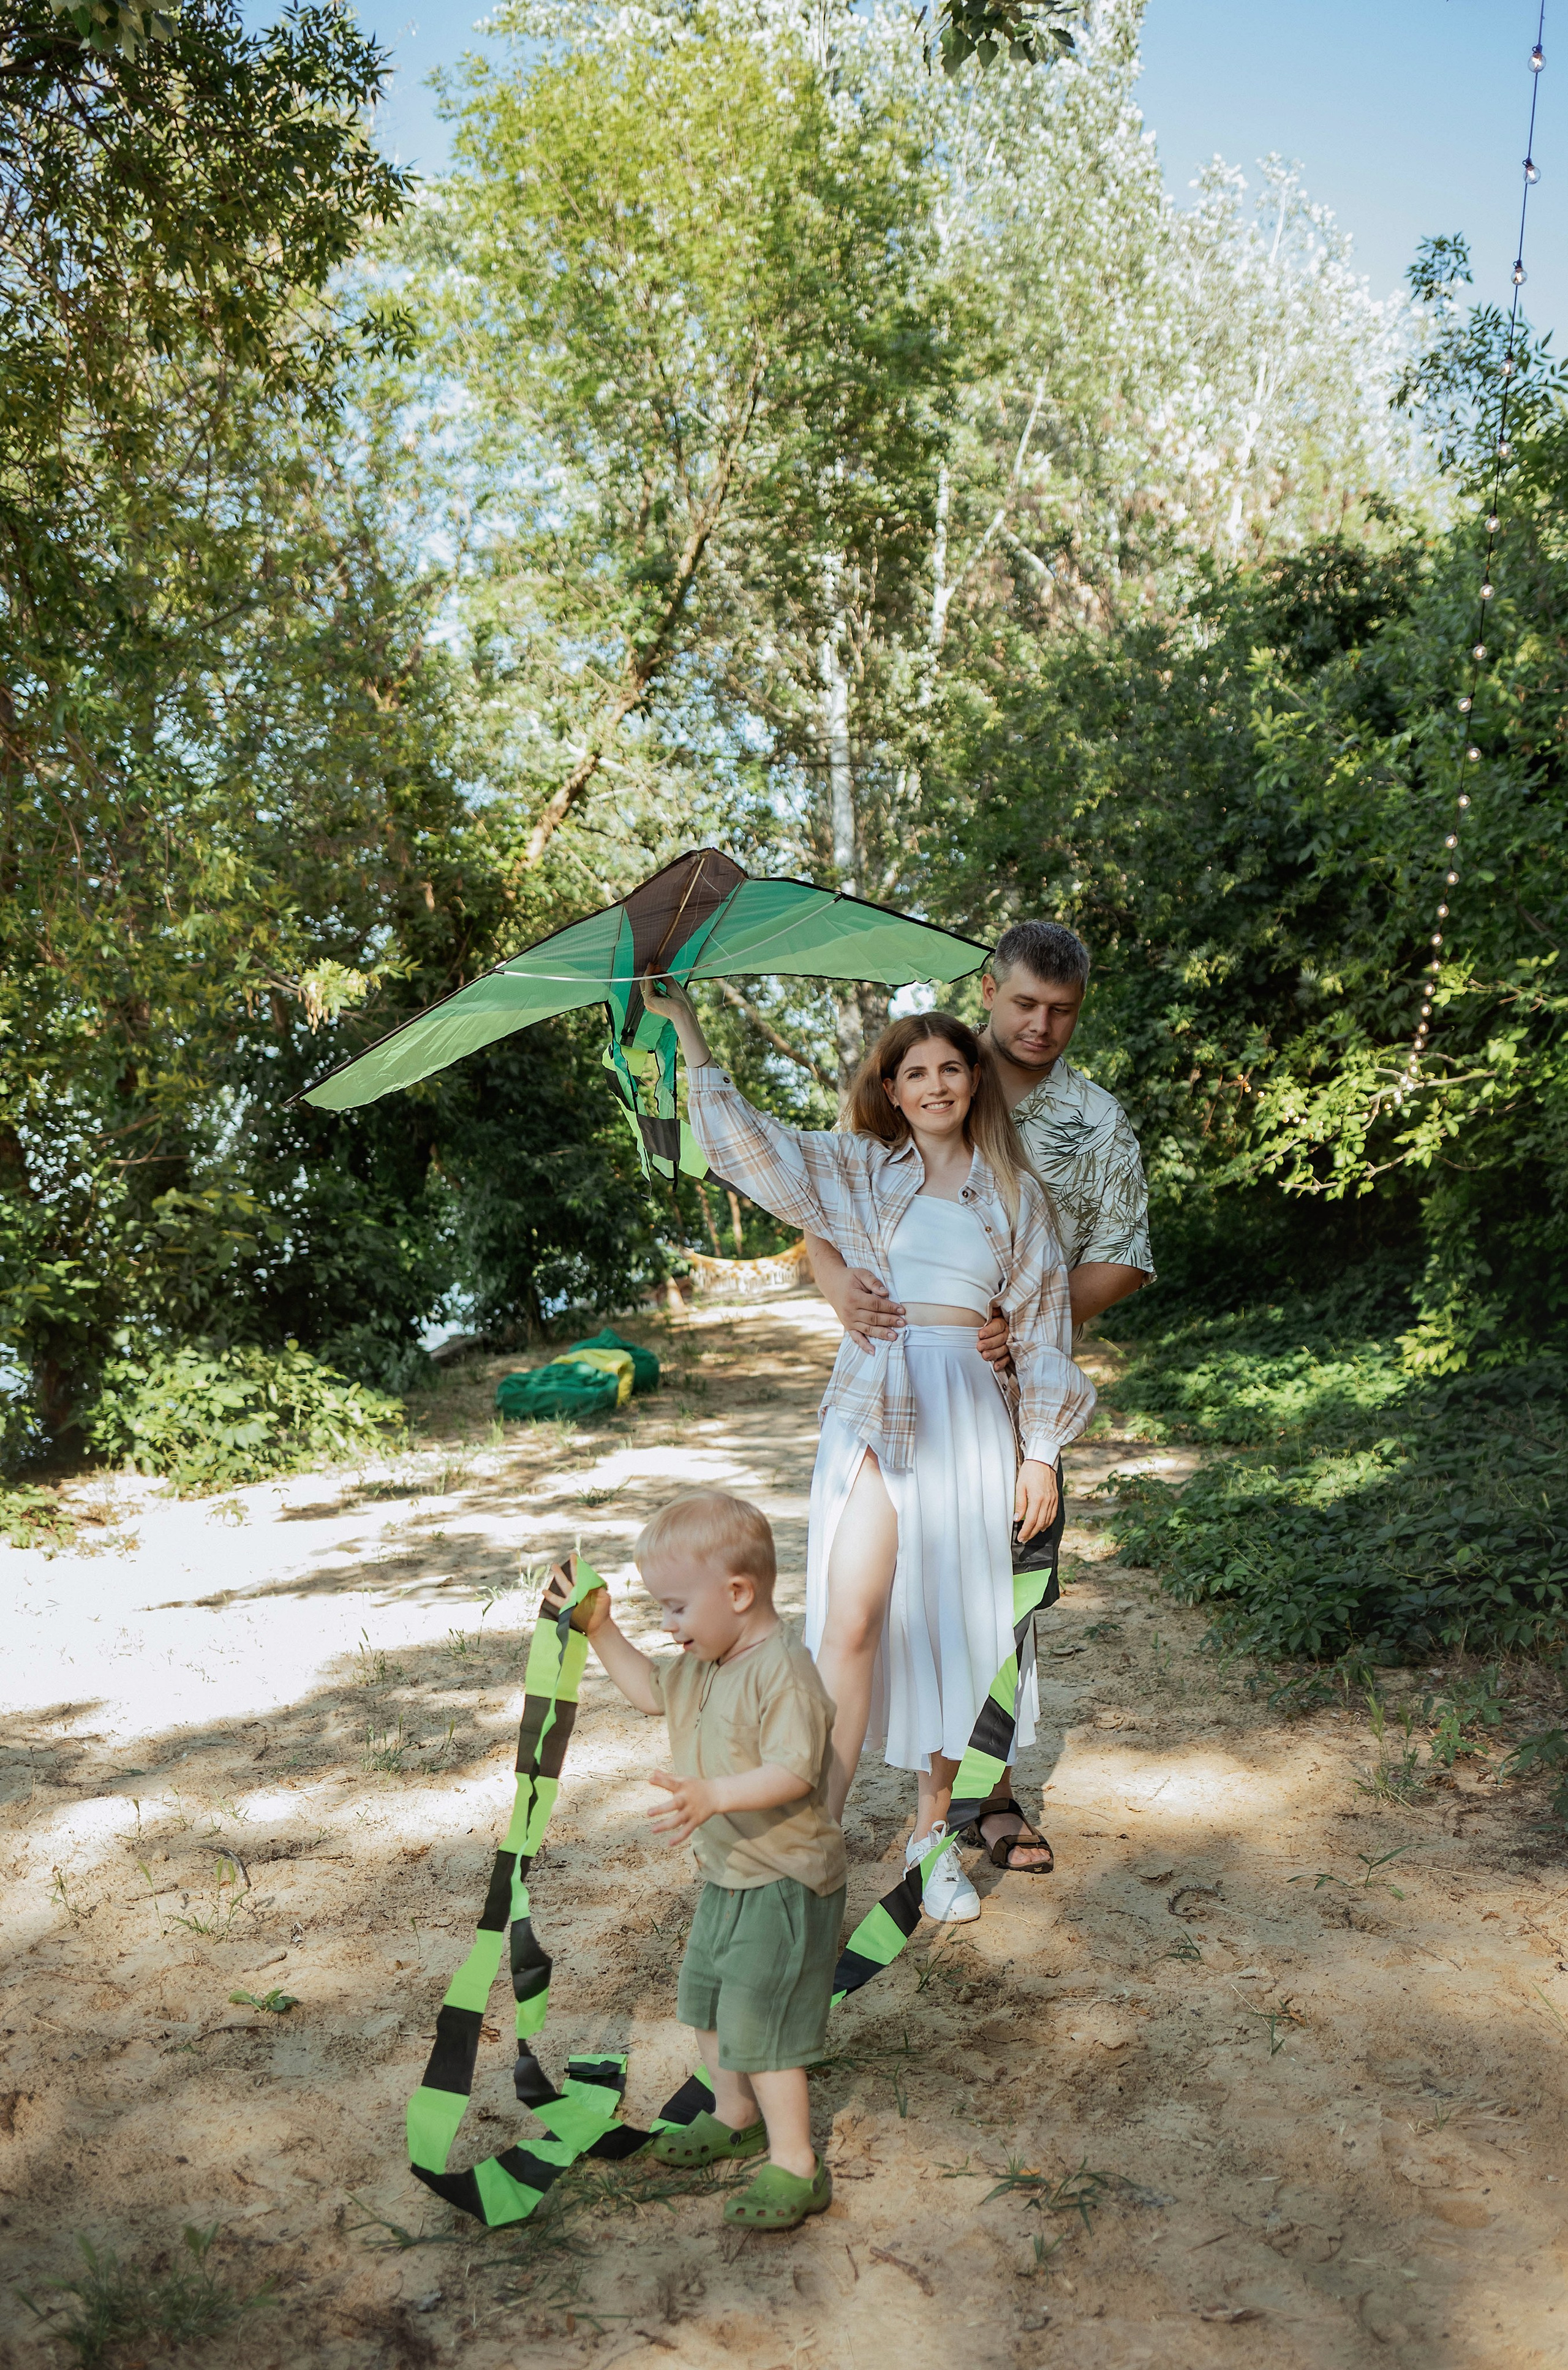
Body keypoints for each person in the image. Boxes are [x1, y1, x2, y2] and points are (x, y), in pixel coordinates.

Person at [647, 975, 1096, 1928]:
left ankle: (931, 1837)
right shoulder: (859, 1170)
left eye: (951, 1068)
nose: (935, 1085)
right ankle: (813, 1829)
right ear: (891, 1089)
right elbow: (757, 1153)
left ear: (974, 1078)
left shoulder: (1016, 1195)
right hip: (876, 1405)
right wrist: (687, 1028)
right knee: (847, 1626)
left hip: (972, 1416)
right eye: (915, 1072)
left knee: (957, 1630)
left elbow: (1048, 1324)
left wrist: (1043, 1452)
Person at [805, 919, 1152, 1874]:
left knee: (999, 1596)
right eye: (1027, 1003)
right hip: (904, 1385)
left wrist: (1020, 1314)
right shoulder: (928, 1070)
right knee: (875, 1597)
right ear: (990, 989)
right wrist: (835, 1284)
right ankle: (839, 1811)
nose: (1042, 1025)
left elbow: (1124, 1256)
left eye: (1064, 1012)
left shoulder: (1098, 1121)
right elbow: (827, 1204)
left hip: (1017, 1388)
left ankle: (984, 1800)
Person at [546, 1490, 846, 2234]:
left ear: (738, 1593)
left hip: (783, 1877)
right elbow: (648, 1689)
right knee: (706, 2000)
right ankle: (734, 2108)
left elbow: (796, 1771)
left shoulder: (784, 1671)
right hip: (728, 1873)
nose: (669, 1625)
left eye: (676, 1608)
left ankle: (797, 2162)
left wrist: (714, 1792)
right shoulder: (708, 1662)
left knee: (761, 2022)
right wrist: (602, 1627)